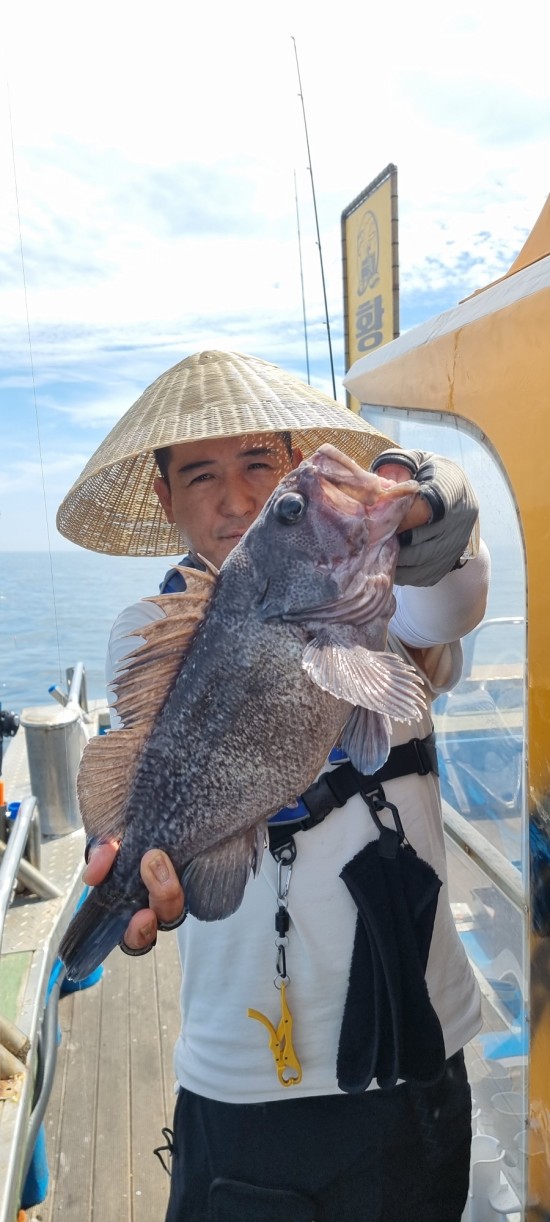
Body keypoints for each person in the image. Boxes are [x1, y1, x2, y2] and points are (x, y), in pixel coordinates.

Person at [57, 349, 490, 1222]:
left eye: (262, 466)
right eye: (202, 475)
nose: (237, 498)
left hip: (415, 1043)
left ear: (295, 461)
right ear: (164, 498)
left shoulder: (381, 589)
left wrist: (416, 492)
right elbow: (145, 784)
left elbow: (453, 590)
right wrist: (135, 867)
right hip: (242, 1076)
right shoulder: (147, 630)